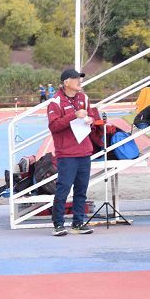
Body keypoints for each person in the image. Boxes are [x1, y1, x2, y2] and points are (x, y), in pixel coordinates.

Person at [48, 68, 100, 236]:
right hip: (67, 153)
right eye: (75, 78)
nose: (79, 81)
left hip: (84, 150)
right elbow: (54, 126)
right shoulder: (55, 102)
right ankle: (58, 224)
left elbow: (92, 116)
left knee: (81, 190)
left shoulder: (84, 98)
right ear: (66, 82)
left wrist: (90, 120)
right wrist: (73, 115)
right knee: (63, 189)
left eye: (80, 78)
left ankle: (78, 223)